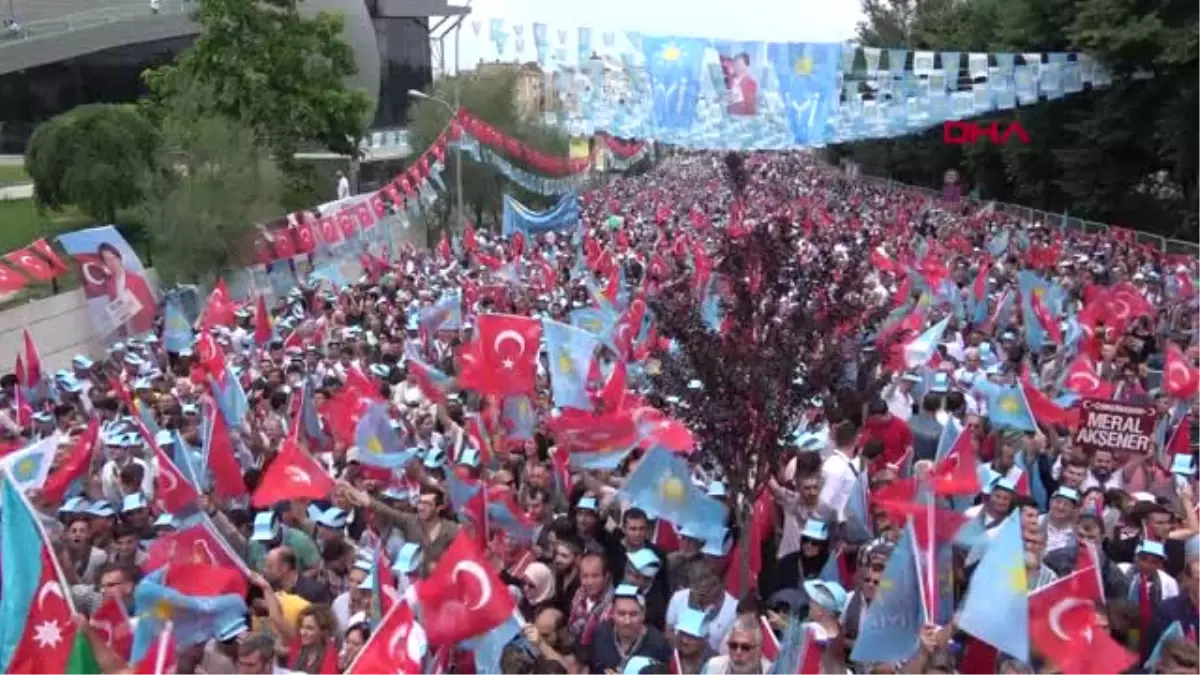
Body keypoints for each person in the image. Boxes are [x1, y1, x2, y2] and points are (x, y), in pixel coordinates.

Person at [93, 242, 156, 336]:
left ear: (119, 258)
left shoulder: (136, 280)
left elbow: (149, 307)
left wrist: (130, 308)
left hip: (142, 329)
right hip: (125, 332)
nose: (112, 262)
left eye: (114, 257)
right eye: (107, 259)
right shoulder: (109, 284)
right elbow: (113, 309)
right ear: (104, 263)